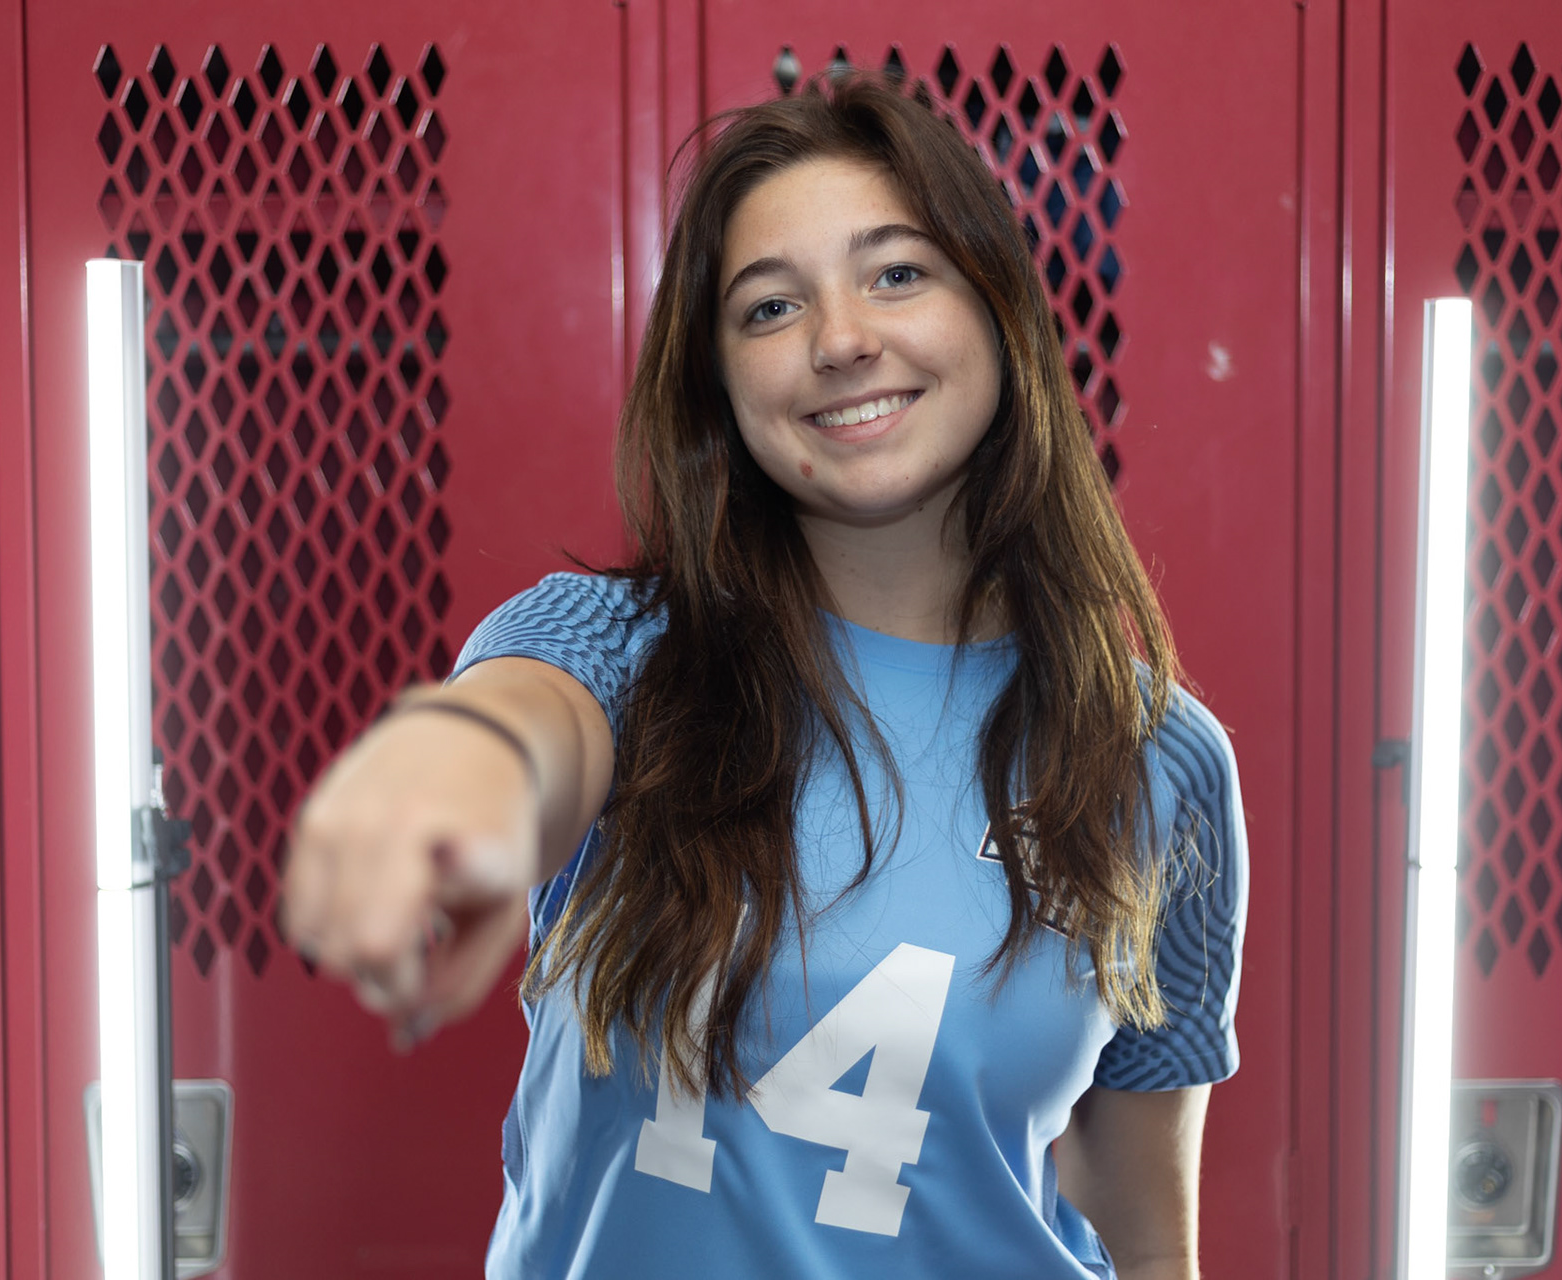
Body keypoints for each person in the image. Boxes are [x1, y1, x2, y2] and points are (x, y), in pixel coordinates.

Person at [282, 70, 1247, 1280]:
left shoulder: (1158, 758)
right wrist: (456, 767)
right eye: (769, 307)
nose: (841, 341)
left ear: (999, 312)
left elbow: (1139, 1213)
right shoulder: (623, 653)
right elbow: (525, 722)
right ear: (722, 385)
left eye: (898, 272)